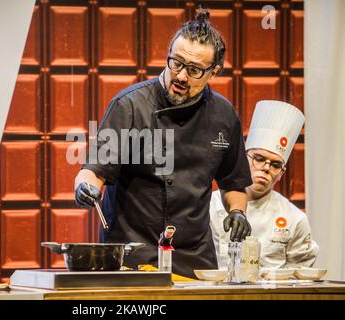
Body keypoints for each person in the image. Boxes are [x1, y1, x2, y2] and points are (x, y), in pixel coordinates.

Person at [74, 9, 253, 278]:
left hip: (194, 258)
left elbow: (233, 182)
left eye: (194, 70)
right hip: (134, 253)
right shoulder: (130, 106)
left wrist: (238, 212)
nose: (181, 76)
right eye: (176, 63)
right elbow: (95, 171)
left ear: (213, 72)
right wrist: (84, 186)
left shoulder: (223, 115)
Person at [210, 100, 319, 269]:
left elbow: (300, 278)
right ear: (244, 159)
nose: (266, 168)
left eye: (275, 165)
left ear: (281, 174)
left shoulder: (294, 219)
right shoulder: (209, 206)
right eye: (259, 159)